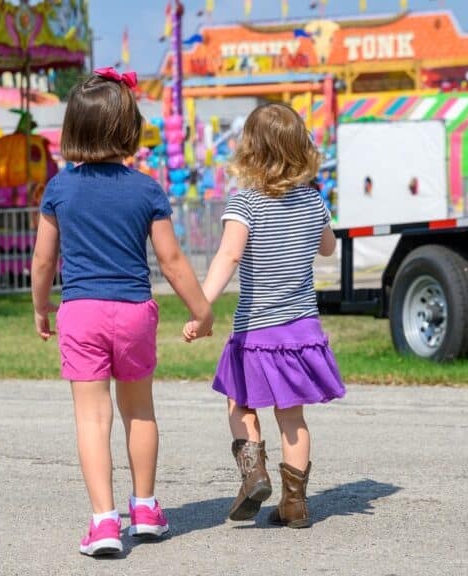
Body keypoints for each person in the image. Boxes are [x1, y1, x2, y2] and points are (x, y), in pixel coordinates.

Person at [31, 67, 213, 556]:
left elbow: (45, 259)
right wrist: (203, 310)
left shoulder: (60, 189)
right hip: (134, 310)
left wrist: (41, 307)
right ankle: (147, 509)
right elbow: (172, 262)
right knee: (139, 412)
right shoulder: (146, 189)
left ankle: (104, 521)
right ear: (128, 127)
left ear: (75, 128)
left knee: (92, 419)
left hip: (82, 311)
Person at [184, 103, 345, 529]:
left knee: (240, 404)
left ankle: (254, 473)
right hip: (302, 330)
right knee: (293, 418)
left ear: (250, 150)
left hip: (257, 330)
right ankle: (295, 504)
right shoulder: (314, 201)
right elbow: (328, 249)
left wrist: (202, 305)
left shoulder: (246, 204)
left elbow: (228, 256)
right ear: (301, 149)